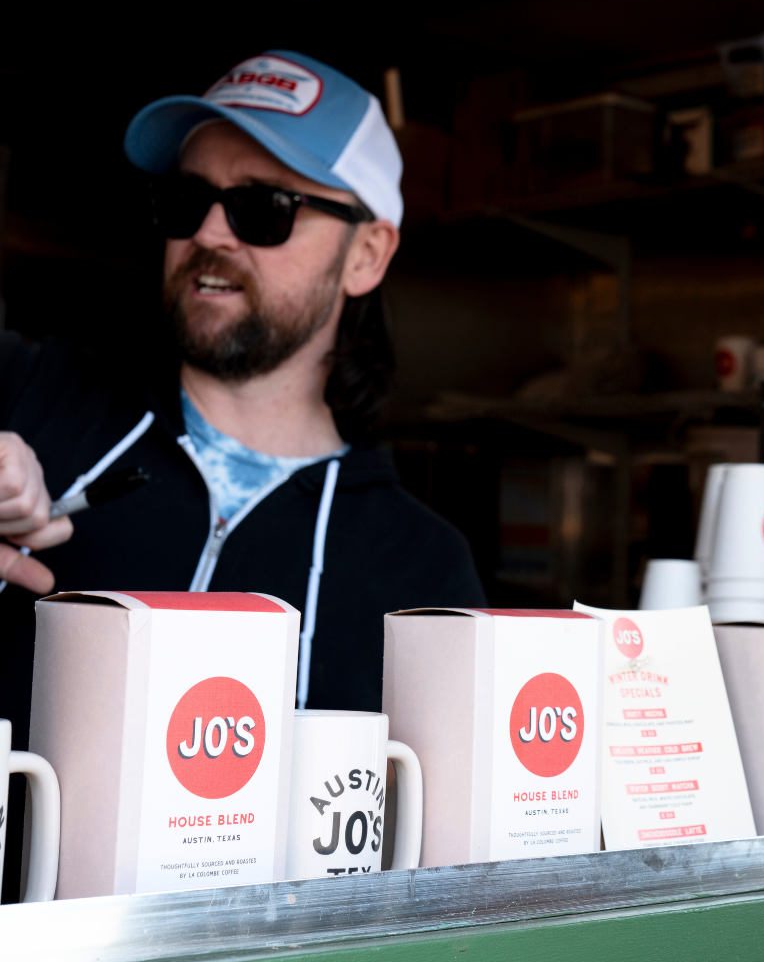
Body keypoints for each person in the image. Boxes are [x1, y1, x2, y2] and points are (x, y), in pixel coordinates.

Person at [0, 50, 485, 750]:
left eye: (265, 208)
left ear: (366, 255)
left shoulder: (424, 577)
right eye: (187, 200)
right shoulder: (29, 395)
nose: (207, 232)